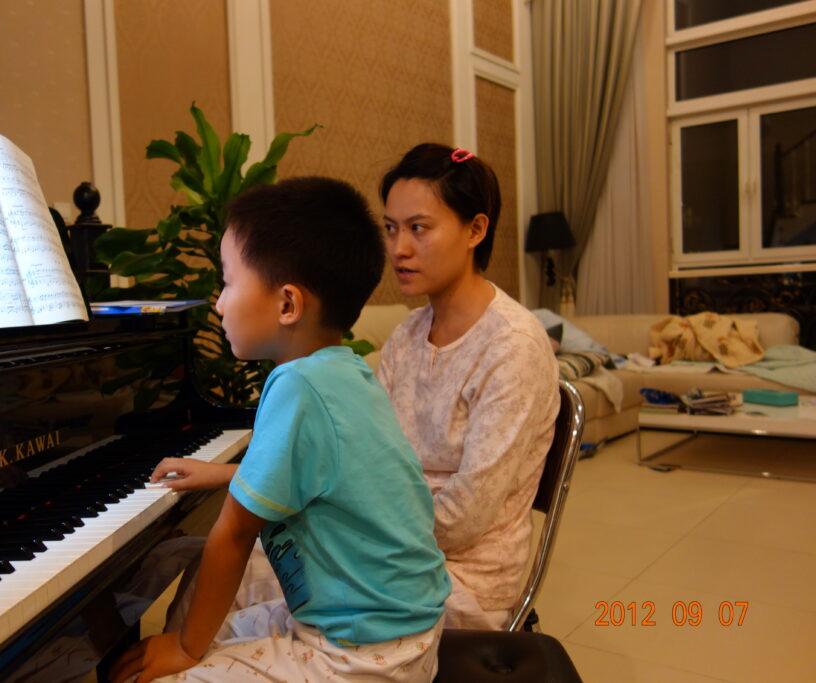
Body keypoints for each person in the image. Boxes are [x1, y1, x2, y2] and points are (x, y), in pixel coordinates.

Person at [108, 176, 451, 683]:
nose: (219, 303)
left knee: (165, 671)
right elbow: (328, 477)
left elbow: (233, 533)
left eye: (227, 282)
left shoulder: (297, 386)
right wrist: (224, 474)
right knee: (217, 630)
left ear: (288, 304)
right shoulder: (345, 371)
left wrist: (185, 648)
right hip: (402, 632)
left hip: (359, 655)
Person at [376, 143, 560, 630]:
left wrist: (360, 530)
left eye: (419, 228)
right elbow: (364, 454)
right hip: (395, 545)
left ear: (476, 229)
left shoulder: (512, 346)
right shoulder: (406, 336)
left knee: (274, 593)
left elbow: (463, 519)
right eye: (391, 229)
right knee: (251, 564)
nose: (400, 249)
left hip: (464, 574)